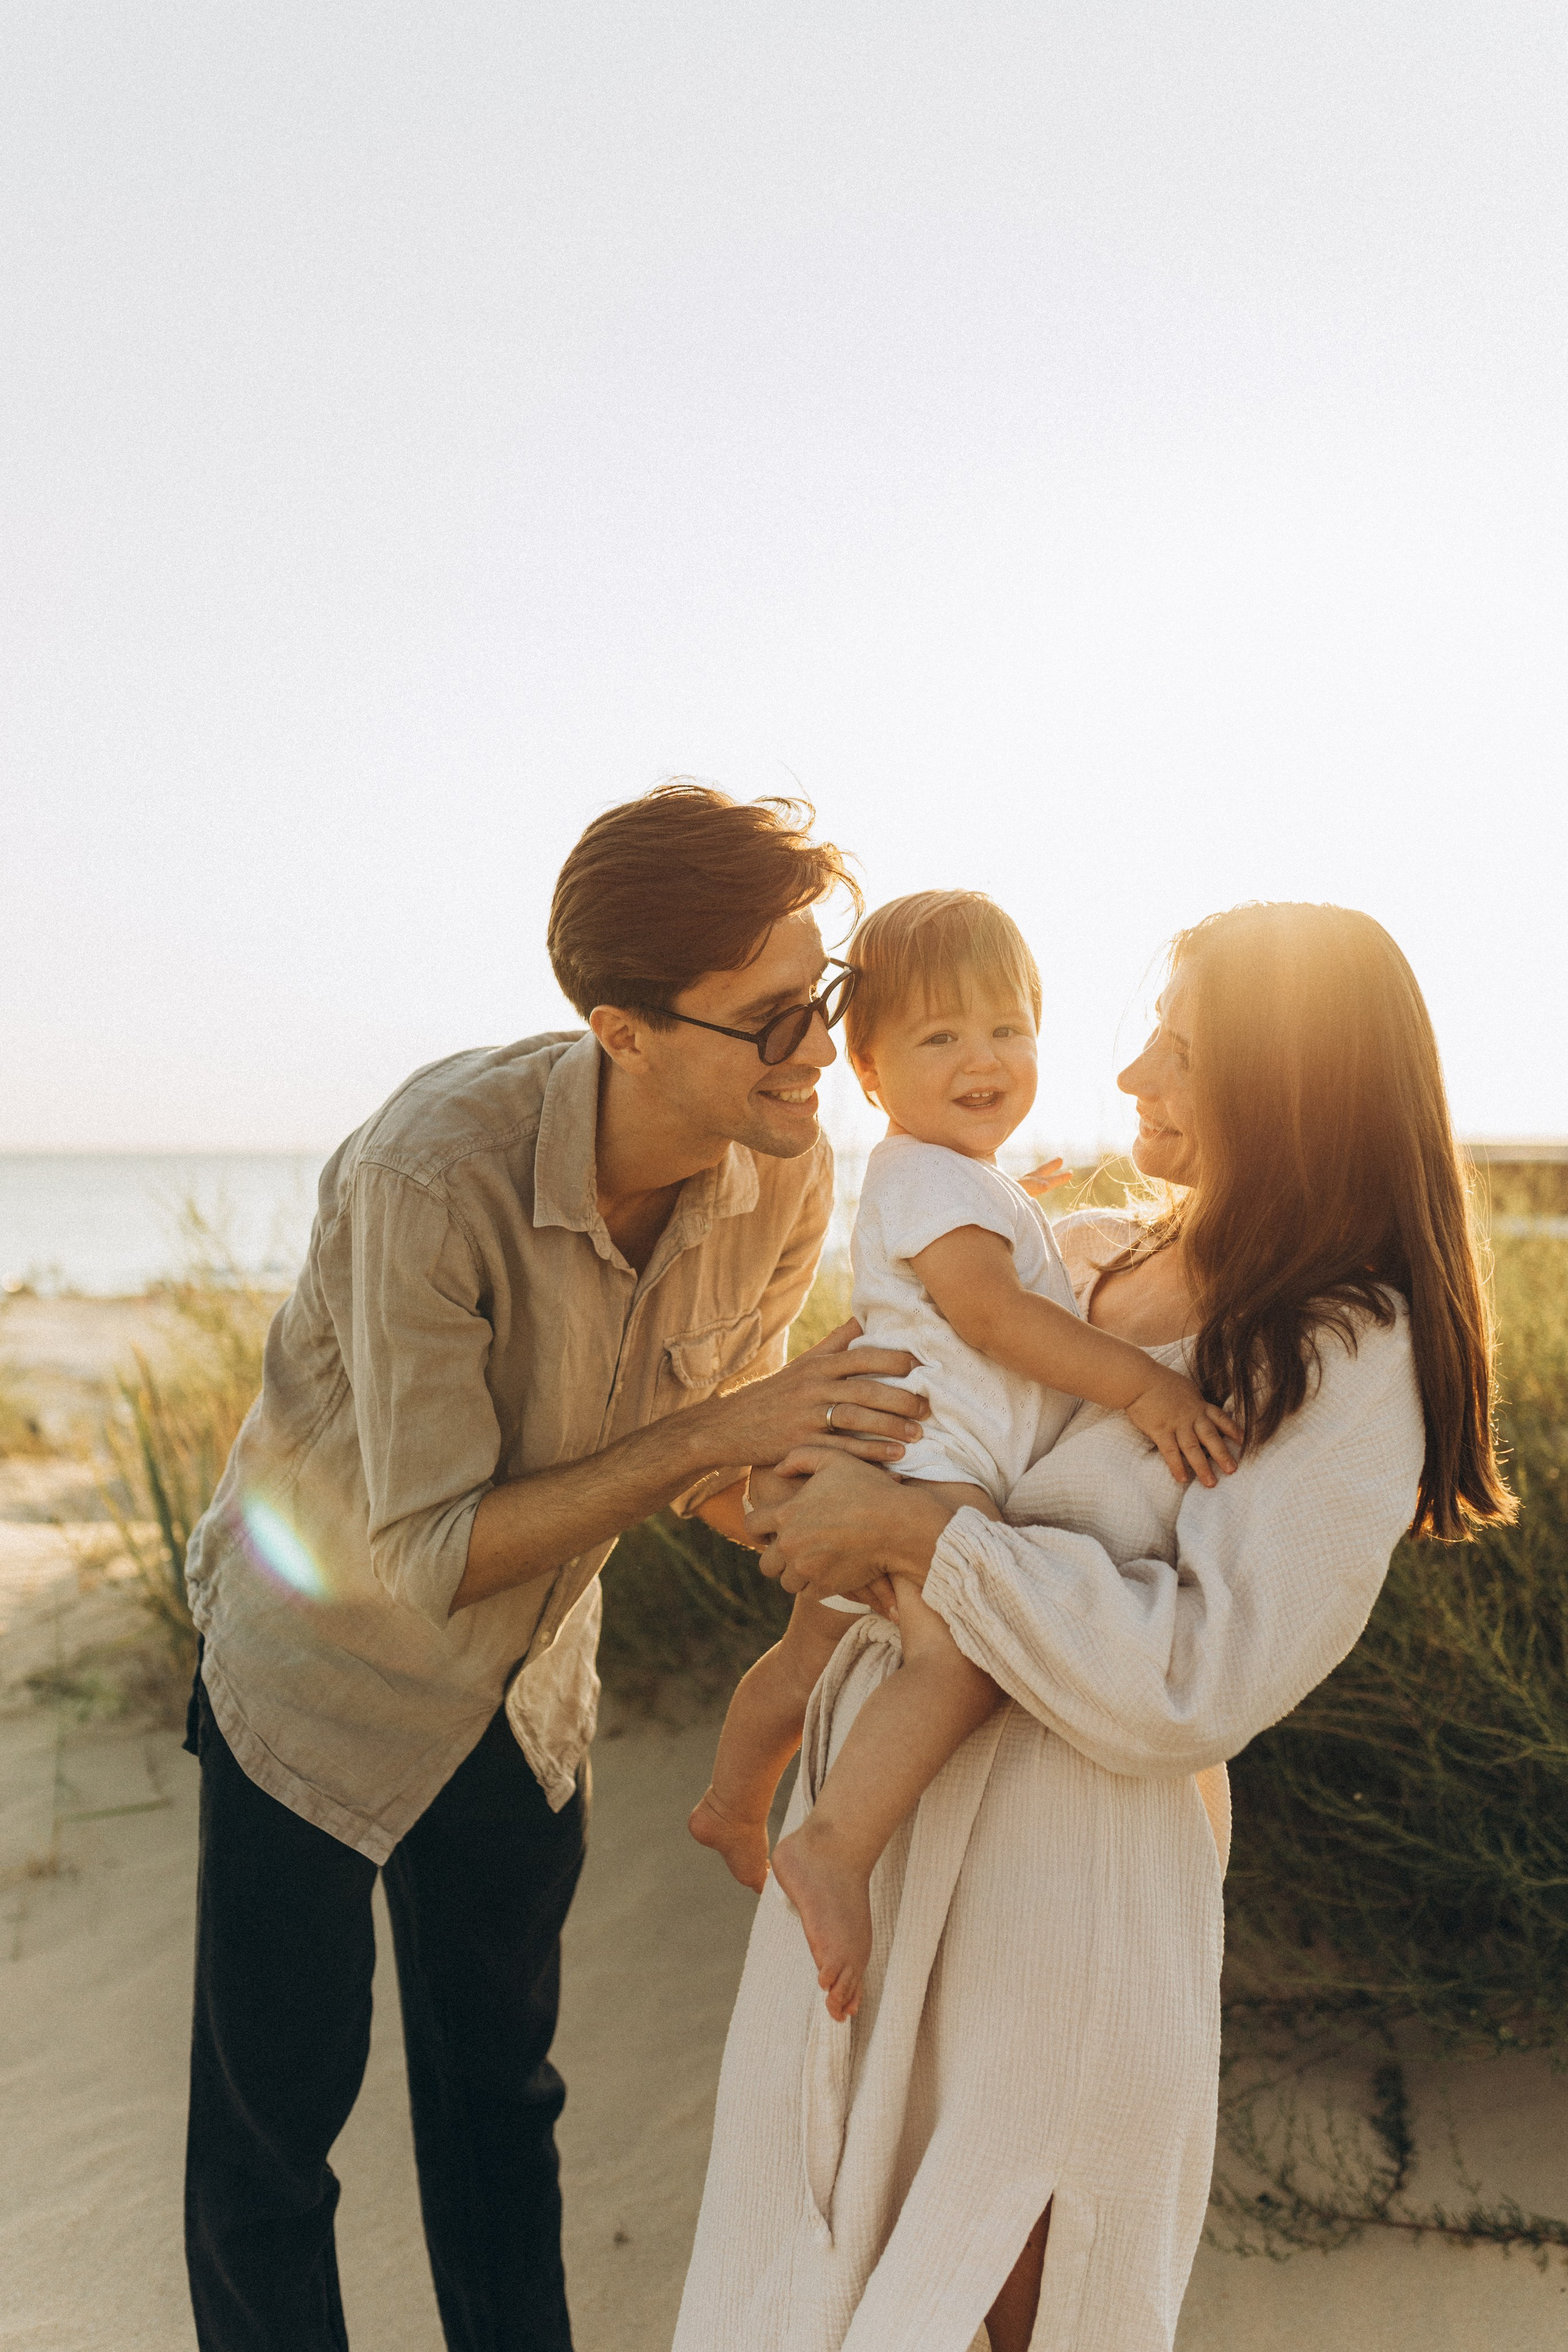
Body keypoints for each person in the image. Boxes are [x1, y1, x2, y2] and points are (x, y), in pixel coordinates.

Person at [673, 900, 1514, 2352]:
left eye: (1176, 1050)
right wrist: (797, 1493)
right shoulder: (1079, 1257)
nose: (1127, 1079)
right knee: (810, 2270)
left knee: (997, 2304)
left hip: (1061, 1893)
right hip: (877, 1834)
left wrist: (921, 1536)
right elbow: (884, 1412)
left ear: (1287, 1081)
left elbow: (1202, 1676)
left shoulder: (1343, 1340)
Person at [179, 782, 936, 2352]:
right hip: (311, 1684)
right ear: (624, 1027)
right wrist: (724, 1428)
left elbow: (707, 1464)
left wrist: (876, 1547)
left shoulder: (783, 1161)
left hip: (524, 1701)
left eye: (826, 999)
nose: (817, 1053)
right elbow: (428, 1551)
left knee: (500, 2114)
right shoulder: (426, 1174)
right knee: (271, 2141)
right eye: (772, 1019)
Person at [689, 892, 1239, 2022]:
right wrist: (1140, 1383)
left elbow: (991, 1271)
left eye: (1008, 1030)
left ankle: (733, 1803)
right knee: (964, 1659)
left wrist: (1018, 1211)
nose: (983, 1059)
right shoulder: (935, 1183)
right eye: (940, 1038)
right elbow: (992, 1321)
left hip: (915, 1457)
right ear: (872, 1074)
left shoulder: (952, 1180)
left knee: (809, 1657)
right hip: (926, 1471)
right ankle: (833, 1846)